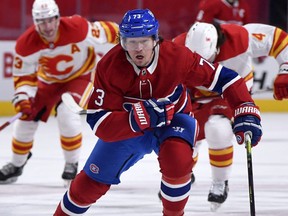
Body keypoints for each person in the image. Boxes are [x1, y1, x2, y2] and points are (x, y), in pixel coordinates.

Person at [53, 9, 262, 215]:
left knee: (178, 164)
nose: (138, 49)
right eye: (130, 42)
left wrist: (245, 108)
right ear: (122, 42)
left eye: (144, 41)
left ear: (155, 39)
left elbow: (226, 78)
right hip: (130, 128)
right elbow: (99, 122)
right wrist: (137, 119)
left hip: (173, 121)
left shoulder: (177, 56)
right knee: (88, 185)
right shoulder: (109, 66)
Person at [172, 21, 288, 210]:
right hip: (196, 96)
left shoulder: (242, 37)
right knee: (184, 133)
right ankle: (182, 173)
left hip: (232, 93)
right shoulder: (177, 47)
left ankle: (220, 181)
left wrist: (285, 69)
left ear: (217, 46)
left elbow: (280, 39)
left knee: (217, 128)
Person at [0, 0, 118, 185]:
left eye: (50, 20)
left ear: (57, 18)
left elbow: (106, 31)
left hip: (81, 77)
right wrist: (23, 98)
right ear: (35, 22)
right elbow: (24, 76)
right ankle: (16, 165)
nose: (47, 27)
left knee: (67, 113)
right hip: (48, 83)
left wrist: (128, 39)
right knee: (24, 121)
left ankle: (71, 165)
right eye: (41, 21)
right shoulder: (26, 43)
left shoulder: (77, 27)